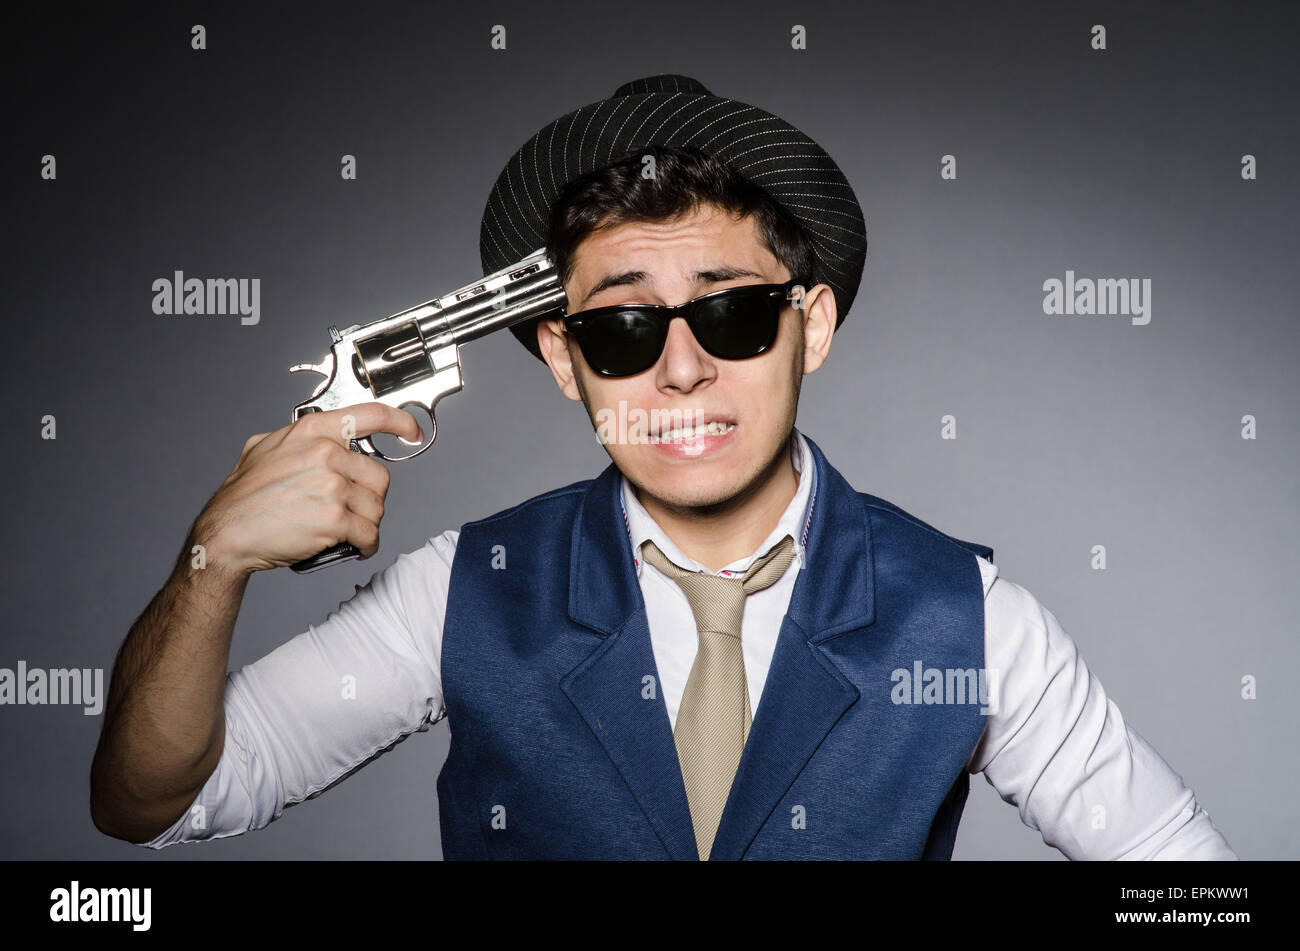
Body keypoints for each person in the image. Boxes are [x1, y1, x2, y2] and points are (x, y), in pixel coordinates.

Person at [90, 75, 1236, 860]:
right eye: (623, 330)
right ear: (561, 358)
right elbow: (154, 803)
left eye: (732, 316)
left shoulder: (969, 620)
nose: (680, 370)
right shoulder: (463, 593)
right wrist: (214, 563)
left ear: (812, 327)